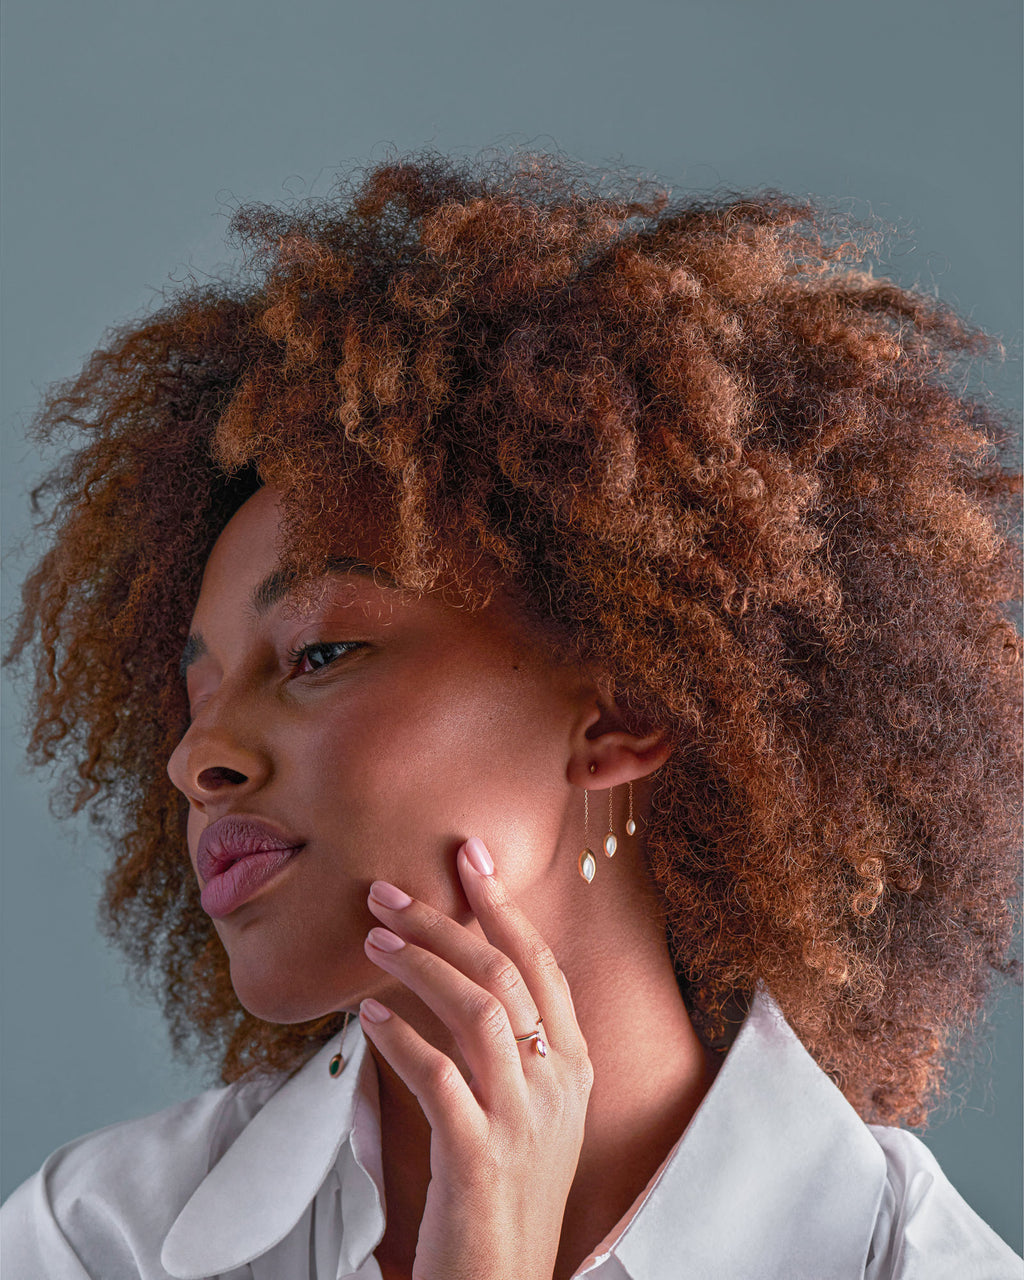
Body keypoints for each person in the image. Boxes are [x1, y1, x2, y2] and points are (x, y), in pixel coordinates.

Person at [1, 150, 1021, 1279]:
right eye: (196, 698)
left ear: (624, 710)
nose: (197, 759)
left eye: (320, 653)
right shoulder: (97, 1239)